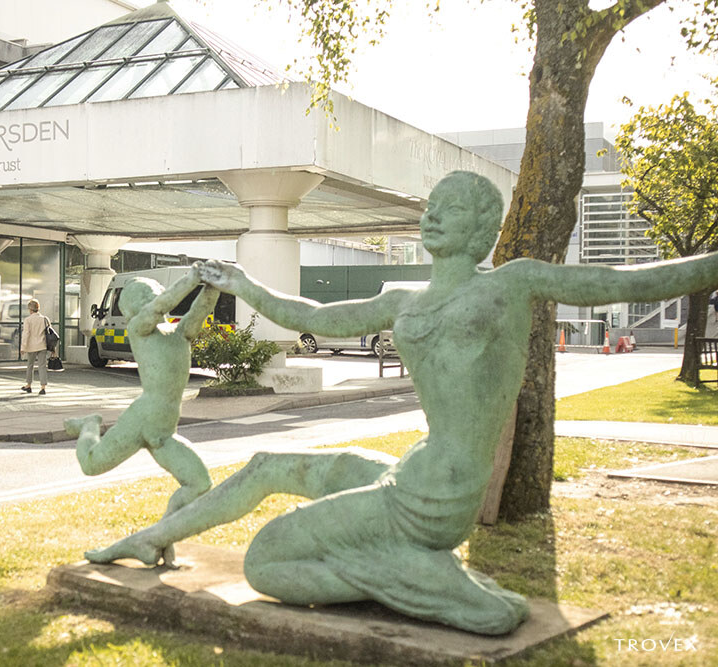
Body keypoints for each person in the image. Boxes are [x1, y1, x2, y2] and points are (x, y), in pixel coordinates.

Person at [83, 171, 718, 635]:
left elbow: (625, 283)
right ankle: (148, 540)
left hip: (436, 497)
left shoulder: (512, 284)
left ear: (483, 230)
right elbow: (313, 315)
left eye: (454, 209)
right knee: (267, 466)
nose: (434, 215)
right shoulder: (402, 297)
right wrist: (244, 283)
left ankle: (422, 581)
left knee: (266, 562)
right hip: (408, 471)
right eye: (432, 205)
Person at [65, 266, 220, 564]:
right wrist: (191, 279)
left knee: (199, 483)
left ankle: (161, 540)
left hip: (164, 433)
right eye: (146, 296)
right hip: (143, 419)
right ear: (134, 308)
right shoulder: (138, 329)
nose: (154, 297)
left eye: (154, 292)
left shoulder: (179, 334)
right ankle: (88, 426)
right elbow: (160, 307)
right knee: (91, 464)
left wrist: (214, 283)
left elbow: (201, 307)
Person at [20, 299, 48, 395]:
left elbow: (26, 334)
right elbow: (49, 334)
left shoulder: (28, 320)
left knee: (30, 365)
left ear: (30, 309)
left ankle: (28, 385)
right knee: (42, 366)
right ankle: (43, 387)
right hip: (42, 345)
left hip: (31, 346)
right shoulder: (44, 319)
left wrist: (23, 347)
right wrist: (53, 349)